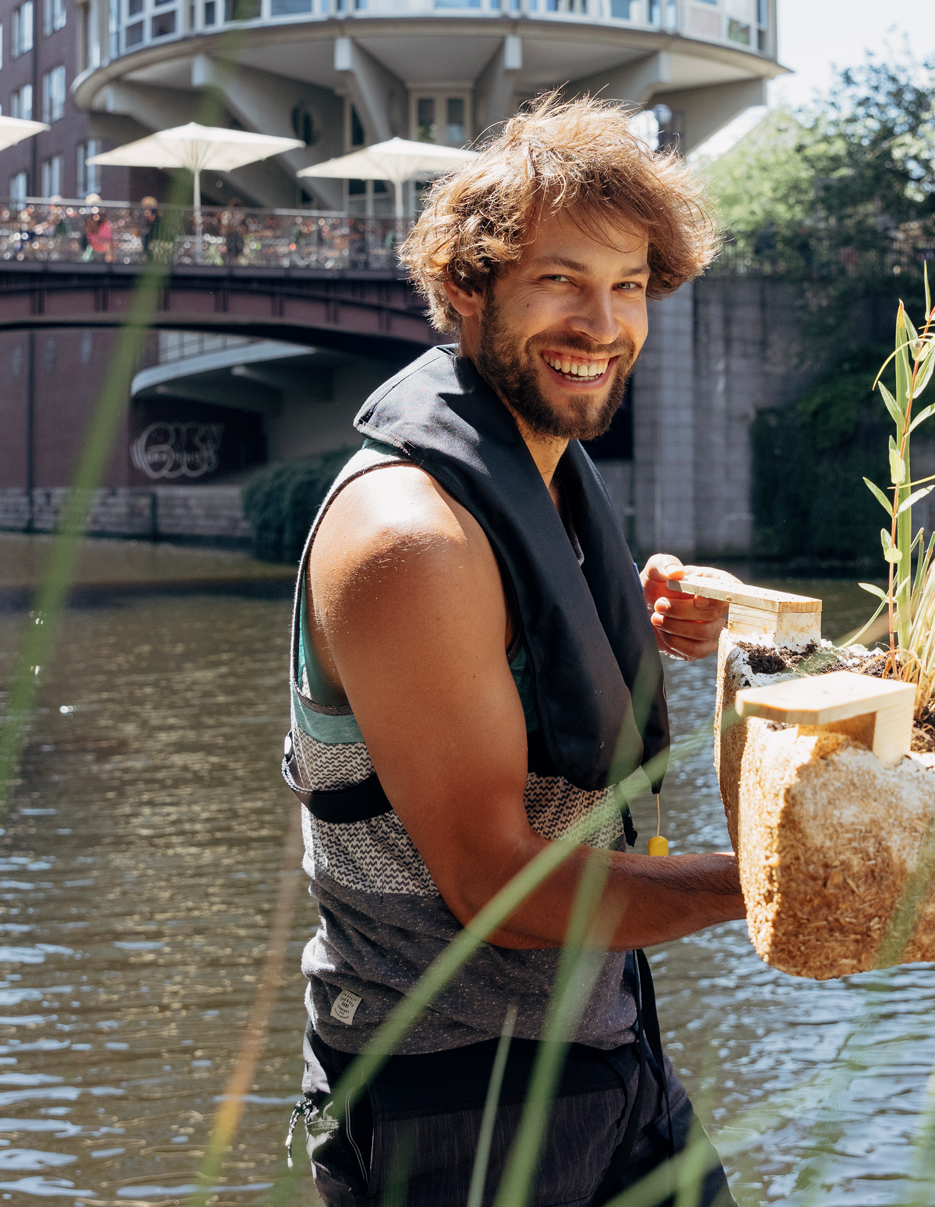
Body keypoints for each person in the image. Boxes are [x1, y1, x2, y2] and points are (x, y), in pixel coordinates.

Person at [287, 96, 739, 1205]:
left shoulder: (525, 474)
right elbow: (501, 882)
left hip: (602, 1050)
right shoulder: (408, 537)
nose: (603, 320)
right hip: (458, 1102)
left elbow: (504, 660)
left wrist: (621, 619)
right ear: (464, 287)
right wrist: (785, 885)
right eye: (559, 279)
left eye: (628, 284)